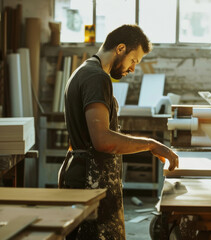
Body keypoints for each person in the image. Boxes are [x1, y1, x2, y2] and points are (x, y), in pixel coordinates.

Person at [58, 24, 179, 240]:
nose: (133, 69)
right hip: (89, 181)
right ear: (120, 48)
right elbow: (103, 140)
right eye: (133, 61)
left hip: (83, 176)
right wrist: (151, 144)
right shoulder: (96, 78)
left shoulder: (83, 71)